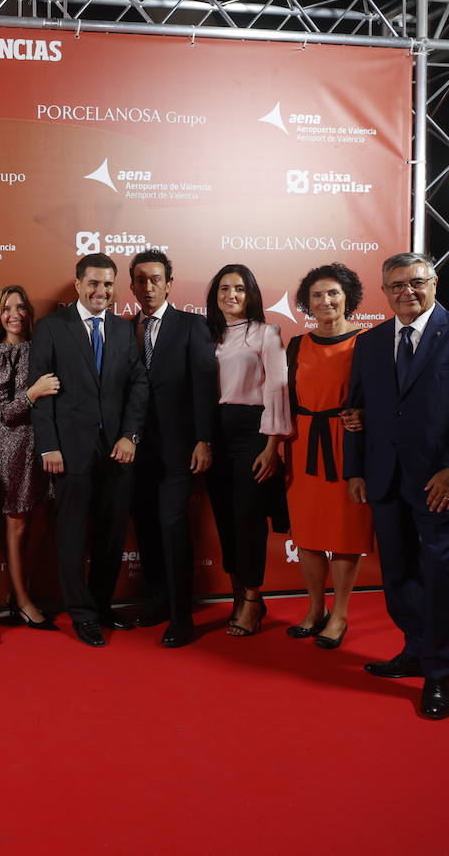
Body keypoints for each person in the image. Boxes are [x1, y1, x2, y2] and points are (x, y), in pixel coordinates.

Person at [345, 252, 449, 720]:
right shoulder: (371, 343)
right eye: (396, 285)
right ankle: (416, 649)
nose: (407, 292)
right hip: (386, 479)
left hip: (443, 485)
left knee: (441, 580)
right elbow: (356, 414)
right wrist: (356, 470)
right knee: (397, 577)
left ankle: (439, 676)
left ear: (434, 283)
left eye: (416, 282)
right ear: (385, 291)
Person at [27, 253, 148, 648]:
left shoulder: (122, 329)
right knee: (73, 535)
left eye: (108, 284)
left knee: (112, 535)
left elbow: (138, 386)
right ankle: (81, 614)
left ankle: (101, 605)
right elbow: (40, 390)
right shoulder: (50, 328)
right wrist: (49, 446)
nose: (101, 291)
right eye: (93, 283)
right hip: (69, 451)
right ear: (78, 285)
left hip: (117, 451)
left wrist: (130, 435)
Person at [126, 250, 217, 647]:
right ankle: (158, 600)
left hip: (180, 450)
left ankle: (182, 616)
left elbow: (205, 385)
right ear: (131, 285)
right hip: (133, 452)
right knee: (145, 529)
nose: (148, 287)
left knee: (172, 527)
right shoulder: (122, 329)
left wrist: (204, 439)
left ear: (168, 283)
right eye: (141, 280)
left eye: (156, 279)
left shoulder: (191, 326)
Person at [283, 264, 373, 649]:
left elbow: (384, 396)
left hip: (347, 444)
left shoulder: (367, 342)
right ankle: (315, 609)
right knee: (308, 534)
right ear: (307, 302)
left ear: (347, 297)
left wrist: (366, 416)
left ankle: (340, 614)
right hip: (302, 445)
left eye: (333, 293)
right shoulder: (296, 344)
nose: (325, 301)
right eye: (317, 295)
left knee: (345, 534)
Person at [204, 263, 291, 638]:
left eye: (239, 288)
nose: (231, 296)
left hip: (252, 433)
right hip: (214, 434)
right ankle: (238, 593)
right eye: (224, 289)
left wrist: (272, 446)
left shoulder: (266, 334)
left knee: (248, 519)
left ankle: (254, 599)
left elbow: (277, 389)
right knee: (225, 518)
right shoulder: (207, 335)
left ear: (251, 294)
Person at [0, 285, 58, 631]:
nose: (14, 314)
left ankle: (21, 593)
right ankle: (24, 602)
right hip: (13, 446)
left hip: (44, 444)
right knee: (18, 524)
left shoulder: (41, 347)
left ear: (29, 311)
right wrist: (33, 393)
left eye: (19, 307)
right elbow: (2, 413)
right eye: (5, 309)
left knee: (40, 523)